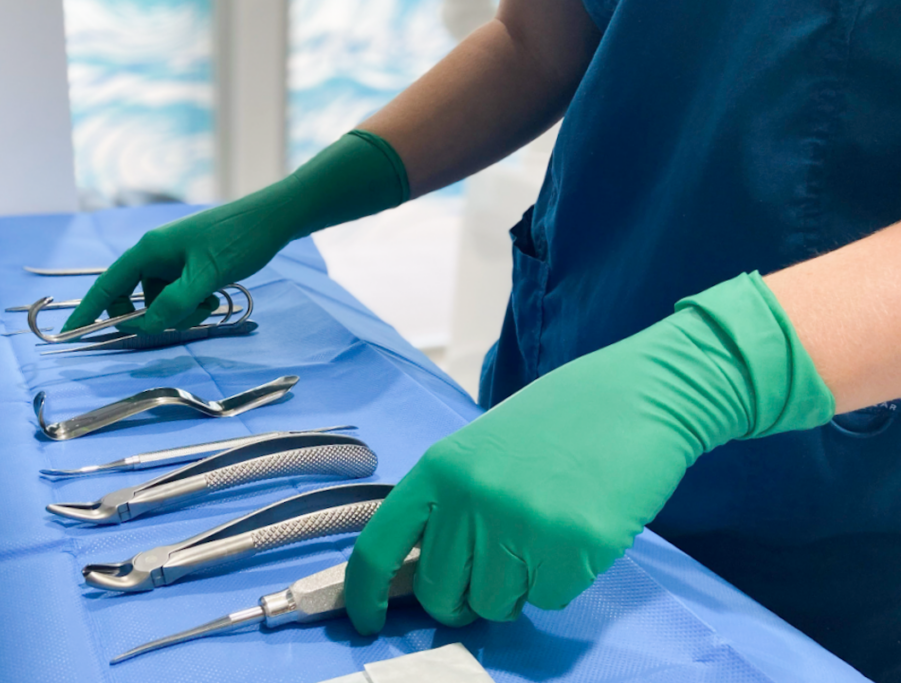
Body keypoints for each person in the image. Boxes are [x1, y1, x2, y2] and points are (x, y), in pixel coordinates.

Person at [63, 1, 901, 679]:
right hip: (559, 364)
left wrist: (705, 372)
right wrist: (294, 201)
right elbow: (534, 44)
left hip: (813, 496)